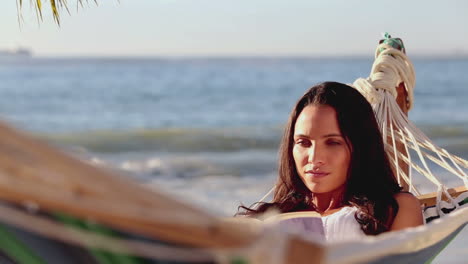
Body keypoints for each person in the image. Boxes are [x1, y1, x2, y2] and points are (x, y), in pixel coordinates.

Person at [237, 82, 424, 240]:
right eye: (303, 142)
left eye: (333, 142)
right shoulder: (271, 219)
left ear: (361, 147)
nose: (314, 157)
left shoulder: (395, 209)